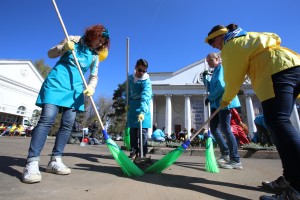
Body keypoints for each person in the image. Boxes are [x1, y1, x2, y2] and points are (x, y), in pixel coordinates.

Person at [205, 23, 300, 199]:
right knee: (278, 123)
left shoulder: (231, 45)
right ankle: (290, 178)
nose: (214, 46)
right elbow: (275, 36)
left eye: (213, 42)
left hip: (275, 71)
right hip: (291, 64)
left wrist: (225, 100)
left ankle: (296, 189)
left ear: (220, 36)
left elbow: (233, 78)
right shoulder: (244, 37)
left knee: (278, 122)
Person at [22, 24, 110, 184]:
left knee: (68, 125)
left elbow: (94, 76)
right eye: (99, 39)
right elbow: (50, 54)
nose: (100, 44)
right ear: (92, 34)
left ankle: (55, 160)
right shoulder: (73, 40)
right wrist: (64, 47)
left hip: (75, 90)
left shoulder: (95, 56)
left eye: (103, 42)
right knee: (47, 119)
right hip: (57, 82)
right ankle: (32, 162)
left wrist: (91, 87)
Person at [203, 52, 243, 170]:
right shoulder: (215, 71)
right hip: (216, 104)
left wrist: (210, 98)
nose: (208, 63)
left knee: (225, 128)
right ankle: (225, 153)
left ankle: (235, 159)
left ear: (217, 58)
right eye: (207, 61)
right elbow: (210, 87)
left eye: (210, 60)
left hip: (225, 102)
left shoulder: (221, 68)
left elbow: (221, 87)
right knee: (214, 128)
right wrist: (206, 77)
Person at [126, 59, 152, 159]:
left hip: (143, 107)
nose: (141, 73)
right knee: (133, 130)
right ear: (135, 67)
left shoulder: (146, 81)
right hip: (133, 107)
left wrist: (142, 111)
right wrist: (127, 103)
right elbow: (128, 92)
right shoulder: (130, 78)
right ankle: (133, 151)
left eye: (144, 71)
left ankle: (143, 153)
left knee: (143, 131)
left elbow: (146, 96)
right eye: (140, 70)